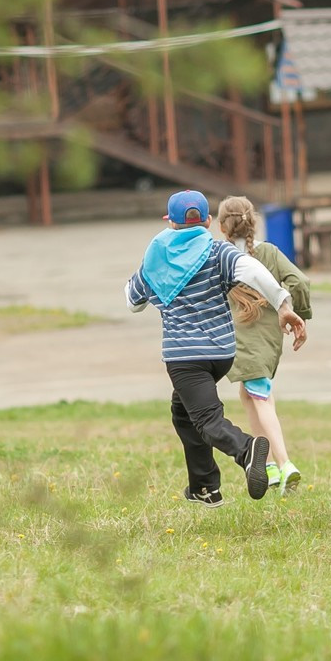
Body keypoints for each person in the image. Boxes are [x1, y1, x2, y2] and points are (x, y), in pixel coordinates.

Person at [127, 189, 305, 506]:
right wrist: (282, 303)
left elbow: (132, 301)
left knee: (207, 419)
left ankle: (247, 450)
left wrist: (149, 274)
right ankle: (204, 487)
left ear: (170, 222)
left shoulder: (158, 259)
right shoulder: (217, 252)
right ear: (207, 221)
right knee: (183, 414)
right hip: (223, 353)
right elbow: (253, 271)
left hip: (185, 357)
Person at [217, 196, 312, 493]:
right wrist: (300, 312)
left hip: (242, 341)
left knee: (261, 398)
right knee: (248, 394)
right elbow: (299, 280)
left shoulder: (221, 258)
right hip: (268, 338)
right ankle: (268, 465)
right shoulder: (268, 252)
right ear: (253, 222)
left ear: (222, 227)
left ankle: (285, 463)